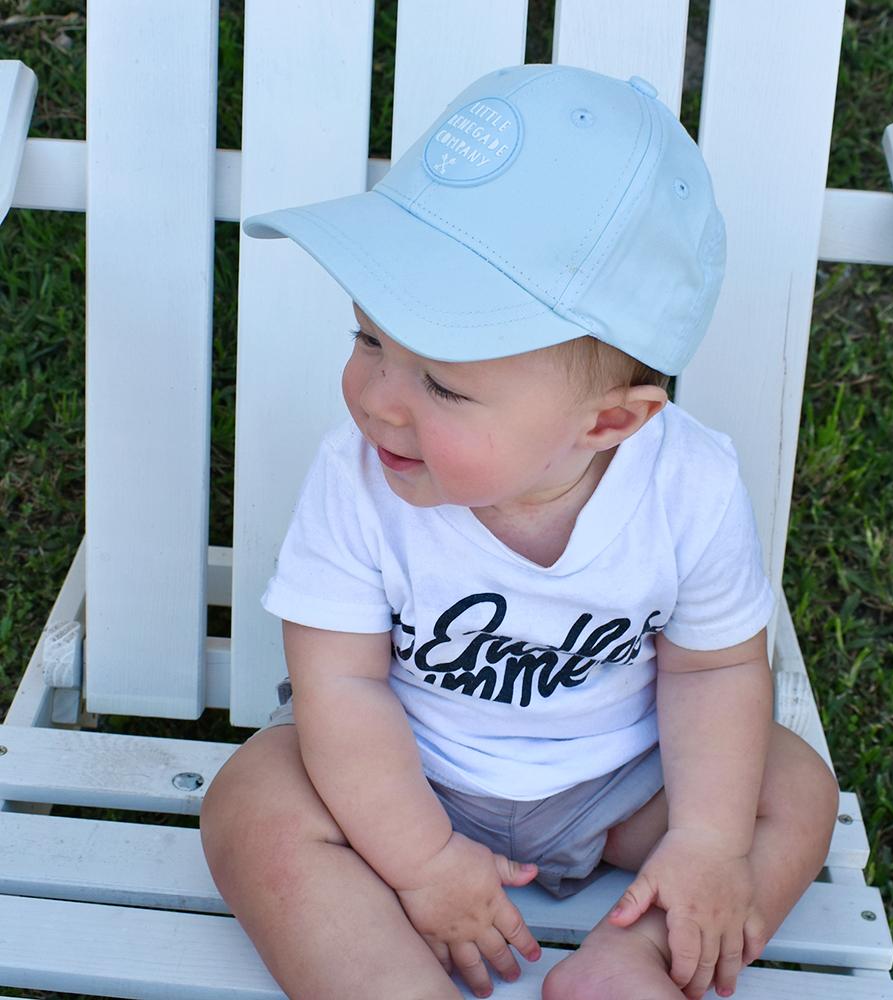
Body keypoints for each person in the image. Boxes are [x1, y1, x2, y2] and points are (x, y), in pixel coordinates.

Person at [200, 64, 840, 1000]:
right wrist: (421, 860)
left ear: (610, 424)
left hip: (619, 786)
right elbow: (341, 681)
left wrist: (705, 839)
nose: (378, 400)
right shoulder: (358, 478)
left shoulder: (691, 488)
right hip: (401, 774)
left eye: (445, 385)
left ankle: (639, 956)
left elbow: (712, 670)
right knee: (251, 804)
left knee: (793, 793)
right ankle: (386, 982)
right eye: (368, 338)